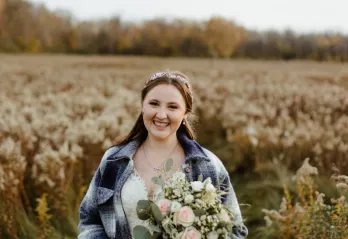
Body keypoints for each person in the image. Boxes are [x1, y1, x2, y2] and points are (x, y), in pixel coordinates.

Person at [78, 70, 248, 239]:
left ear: (185, 114)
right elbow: (90, 220)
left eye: (172, 107)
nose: (161, 115)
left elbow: (235, 230)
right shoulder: (114, 160)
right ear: (142, 106)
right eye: (154, 104)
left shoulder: (208, 165)